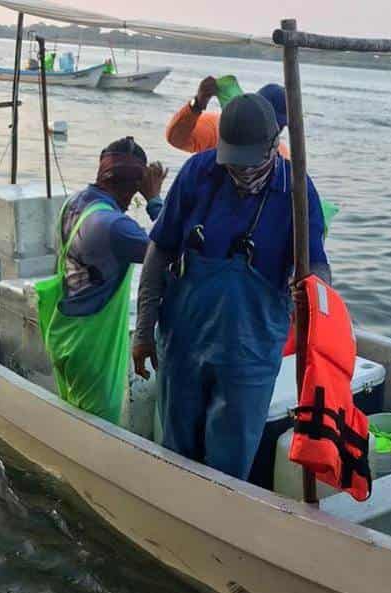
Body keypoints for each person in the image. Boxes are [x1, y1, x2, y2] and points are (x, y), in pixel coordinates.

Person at [133, 93, 331, 480]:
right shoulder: (198, 172)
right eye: (232, 162)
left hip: (250, 348)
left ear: (274, 146)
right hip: (184, 341)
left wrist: (311, 296)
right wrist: (143, 330)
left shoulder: (297, 190)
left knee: (230, 458)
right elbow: (159, 252)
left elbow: (318, 267)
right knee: (177, 453)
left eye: (250, 162)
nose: (240, 173)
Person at [39, 137, 166, 424]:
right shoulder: (113, 226)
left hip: (65, 331)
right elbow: (168, 249)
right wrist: (155, 199)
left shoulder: (76, 202)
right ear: (136, 184)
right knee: (99, 427)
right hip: (93, 346)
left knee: (74, 416)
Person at [166, 76, 339, 237]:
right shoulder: (218, 132)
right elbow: (176, 138)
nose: (276, 127)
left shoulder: (286, 167)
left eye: (280, 124)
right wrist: (197, 104)